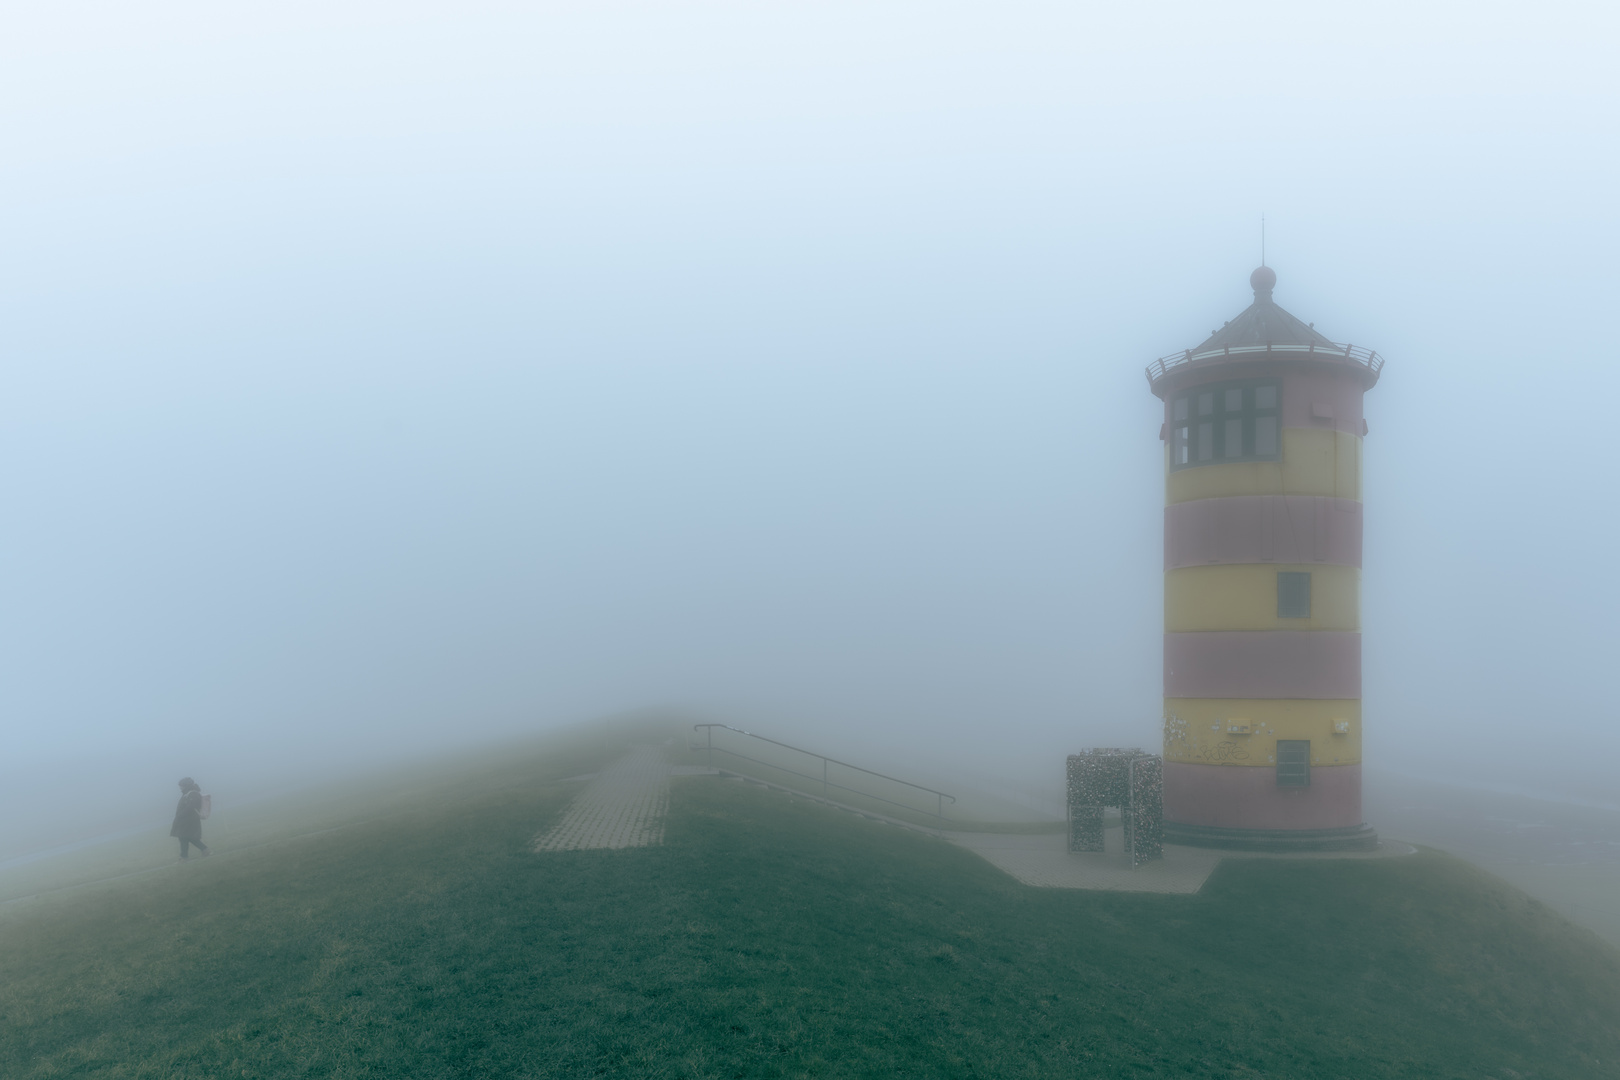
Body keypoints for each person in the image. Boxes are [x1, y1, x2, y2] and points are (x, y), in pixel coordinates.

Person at [171, 777, 210, 859]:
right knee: (187, 837)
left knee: (184, 837)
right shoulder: (188, 793)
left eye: (182, 785)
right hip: (186, 820)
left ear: (186, 785)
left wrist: (180, 814)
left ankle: (184, 857)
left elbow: (191, 806)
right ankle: (204, 850)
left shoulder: (193, 793)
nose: (180, 787)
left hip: (189, 820)